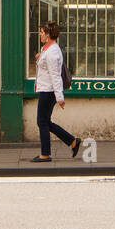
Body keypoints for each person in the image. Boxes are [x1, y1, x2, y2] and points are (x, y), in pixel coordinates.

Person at [31, 21, 82, 163]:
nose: (40, 34)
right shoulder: (47, 49)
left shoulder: (52, 52)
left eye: (41, 32)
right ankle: (72, 141)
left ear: (48, 35)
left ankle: (45, 154)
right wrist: (39, 58)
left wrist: (59, 97)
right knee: (45, 122)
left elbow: (55, 75)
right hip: (46, 90)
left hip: (49, 91)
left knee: (42, 122)